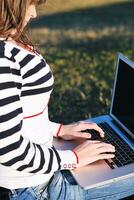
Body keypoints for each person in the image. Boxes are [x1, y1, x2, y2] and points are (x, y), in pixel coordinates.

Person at [0, 0, 134, 199]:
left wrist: (58, 130)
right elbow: (8, 148)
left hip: (42, 171)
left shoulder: (7, 44)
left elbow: (16, 118)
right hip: (38, 190)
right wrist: (73, 158)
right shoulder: (3, 60)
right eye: (29, 4)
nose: (34, 14)